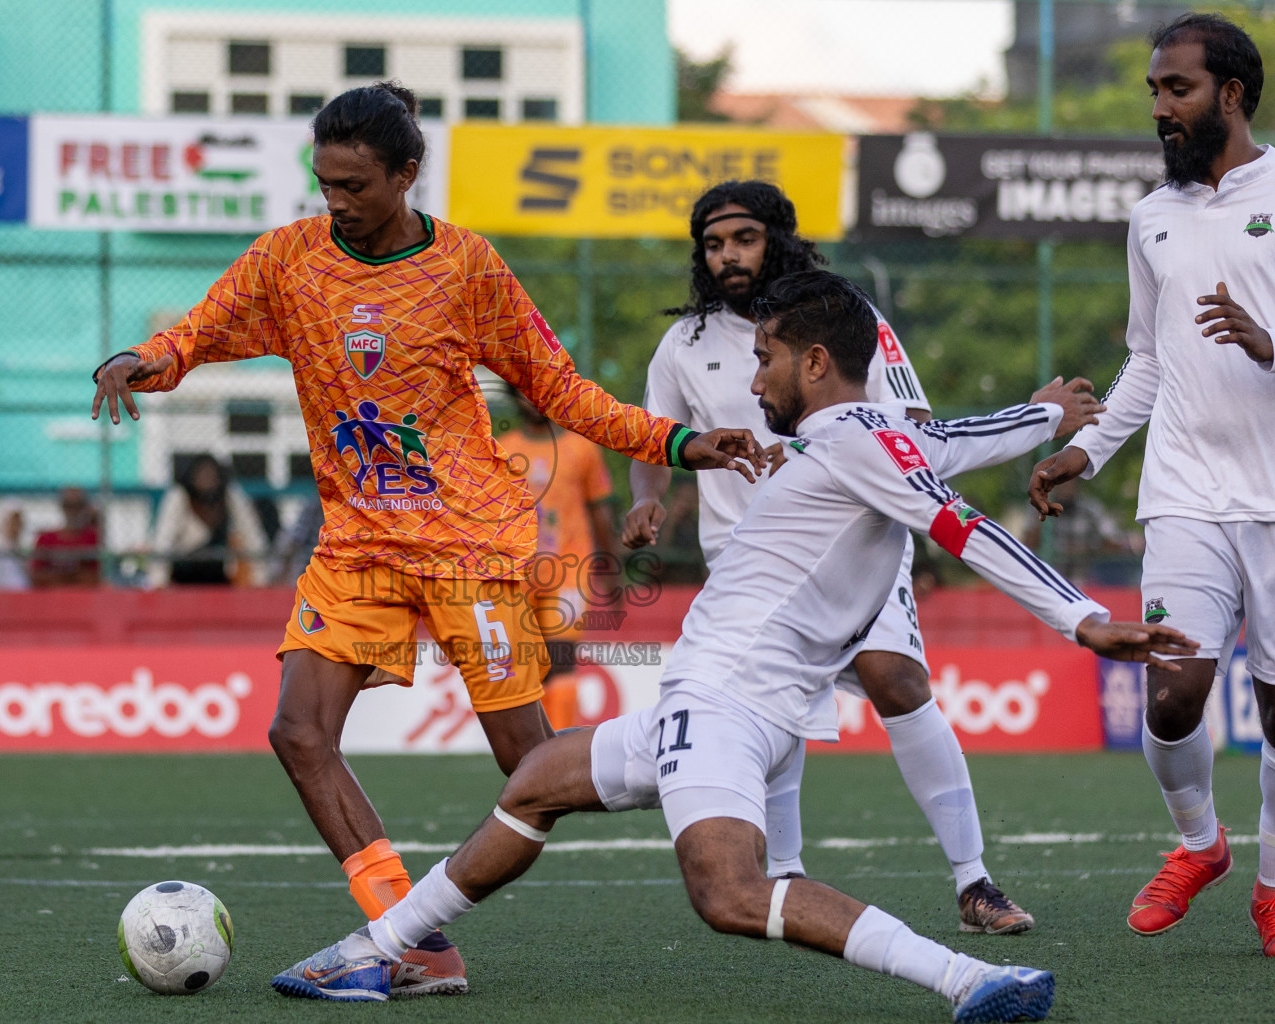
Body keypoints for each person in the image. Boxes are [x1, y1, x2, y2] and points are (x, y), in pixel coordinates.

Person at [272, 272, 1195, 1017]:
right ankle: (373, 951)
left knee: (728, 894)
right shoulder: (871, 434)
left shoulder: (859, 442)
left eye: (766, 360)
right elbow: (947, 441)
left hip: (726, 702)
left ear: (818, 361)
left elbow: (957, 524)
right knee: (536, 782)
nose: (753, 383)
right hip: (715, 698)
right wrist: (1040, 417)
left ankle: (971, 981)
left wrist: (1082, 620)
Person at [89, 81, 765, 996]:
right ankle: (406, 938)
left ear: (407, 174)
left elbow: (564, 392)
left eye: (355, 185)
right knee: (297, 731)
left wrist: (679, 443)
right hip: (357, 546)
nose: (336, 200)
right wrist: (145, 360)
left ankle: (682, 759)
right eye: (324, 181)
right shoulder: (288, 259)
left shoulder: (468, 269)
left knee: (532, 769)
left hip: (468, 546)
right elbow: (202, 332)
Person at [623, 178, 1070, 934]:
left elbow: (914, 420)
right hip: (746, 555)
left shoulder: (850, 319)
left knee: (894, 676)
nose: (728, 255)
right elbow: (652, 436)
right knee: (769, 703)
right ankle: (786, 880)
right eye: (713, 244)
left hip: (856, 534)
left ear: (778, 239)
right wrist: (646, 495)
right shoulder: (684, 344)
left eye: (744, 238)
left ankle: (975, 882)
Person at [1027, 13, 1275, 952]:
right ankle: (1198, 843)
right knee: (1172, 688)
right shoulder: (1153, 215)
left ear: (1233, 96)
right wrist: (1084, 452)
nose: (1162, 109)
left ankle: (1271, 884)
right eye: (1156, 93)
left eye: (1179, 90)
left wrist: (1269, 344)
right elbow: (1148, 360)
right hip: (1182, 493)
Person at [495, 387, 622, 729]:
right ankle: (533, 747)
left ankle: (559, 745)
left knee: (562, 660)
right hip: (516, 573)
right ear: (514, 399)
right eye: (524, 394)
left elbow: (600, 513)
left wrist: (611, 570)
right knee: (524, 665)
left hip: (570, 570)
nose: (532, 401)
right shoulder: (502, 449)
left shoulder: (582, 448)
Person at [149, 455, 266, 587]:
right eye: (202, 475)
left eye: (211, 476)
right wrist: (158, 581)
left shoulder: (229, 494)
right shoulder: (179, 496)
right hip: (183, 569)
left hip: (217, 571)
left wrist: (260, 578)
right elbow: (163, 540)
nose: (206, 480)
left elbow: (252, 533)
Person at [30, 488, 102, 588]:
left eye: (78, 506)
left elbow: (95, 578)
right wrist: (75, 575)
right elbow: (36, 577)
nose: (73, 511)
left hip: (83, 597)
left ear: (84, 508)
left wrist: (58, 576)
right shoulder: (46, 539)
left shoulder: (92, 538)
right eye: (69, 506)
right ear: (62, 507)